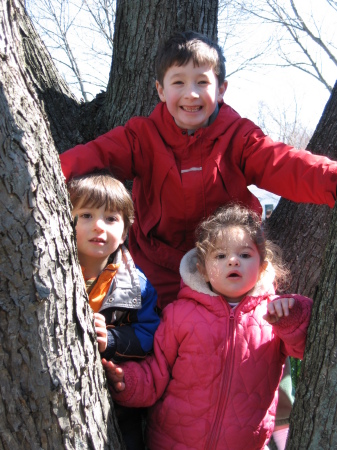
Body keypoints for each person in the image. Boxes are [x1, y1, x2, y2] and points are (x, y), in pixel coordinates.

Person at [60, 30, 337, 311]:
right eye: (178, 82)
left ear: (221, 90)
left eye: (202, 82)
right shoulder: (142, 137)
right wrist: (52, 175)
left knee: (243, 337)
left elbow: (285, 164)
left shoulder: (238, 137)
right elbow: (94, 154)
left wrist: (332, 180)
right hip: (159, 268)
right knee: (160, 341)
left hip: (229, 263)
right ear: (160, 90)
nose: (190, 93)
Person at [101, 204, 313, 450]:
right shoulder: (179, 314)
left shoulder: (273, 313)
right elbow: (156, 371)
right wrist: (129, 381)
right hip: (174, 443)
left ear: (263, 266)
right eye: (220, 256)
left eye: (244, 255)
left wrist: (292, 316)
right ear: (202, 269)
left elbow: (303, 348)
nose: (233, 261)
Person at [67, 172, 160, 450]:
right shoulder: (51, 268)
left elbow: (150, 332)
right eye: (85, 215)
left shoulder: (137, 284)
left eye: (110, 218)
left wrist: (113, 340)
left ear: (125, 232)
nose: (98, 226)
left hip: (114, 402)